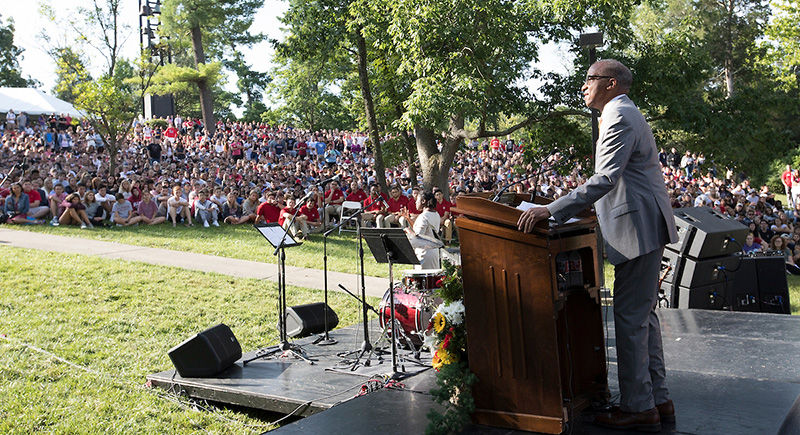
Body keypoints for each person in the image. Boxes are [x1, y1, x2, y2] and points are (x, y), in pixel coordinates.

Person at [517, 60, 678, 432]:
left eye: (589, 79)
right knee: (643, 317)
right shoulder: (624, 112)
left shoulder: (618, 115)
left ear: (610, 83)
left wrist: (551, 210)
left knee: (630, 317)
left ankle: (639, 406)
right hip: (644, 225)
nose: (584, 86)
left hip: (639, 228)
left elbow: (606, 177)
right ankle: (658, 398)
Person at [399, 191, 442, 269]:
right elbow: (421, 230)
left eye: (417, 200)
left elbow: (418, 238)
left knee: (422, 280)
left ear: (423, 201)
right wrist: (408, 218)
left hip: (424, 254)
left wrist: (407, 229)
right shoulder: (436, 214)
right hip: (434, 252)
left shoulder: (423, 217)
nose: (415, 202)